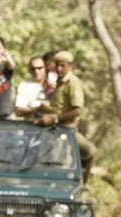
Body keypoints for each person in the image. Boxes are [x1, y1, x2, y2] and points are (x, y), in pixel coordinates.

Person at [34, 51, 97, 183]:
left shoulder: (73, 83)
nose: (58, 69)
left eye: (62, 66)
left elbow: (77, 110)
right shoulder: (60, 82)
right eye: (56, 65)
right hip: (53, 128)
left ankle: (82, 184)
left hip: (65, 128)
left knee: (90, 152)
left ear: (70, 66)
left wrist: (54, 119)